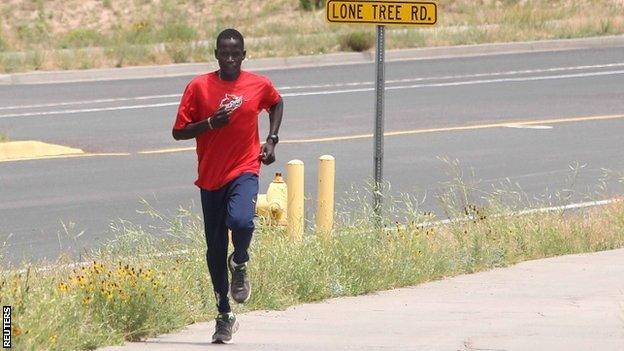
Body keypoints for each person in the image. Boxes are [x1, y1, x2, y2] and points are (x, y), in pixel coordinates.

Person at [172, 28, 283, 344]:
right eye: (225, 52)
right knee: (215, 250)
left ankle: (241, 260)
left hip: (245, 168)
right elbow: (178, 131)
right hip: (210, 178)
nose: (230, 58)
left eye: (236, 53)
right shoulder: (199, 87)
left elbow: (277, 103)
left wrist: (272, 140)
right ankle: (223, 315)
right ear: (216, 54)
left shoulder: (258, 85)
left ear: (244, 55)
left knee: (241, 220)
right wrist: (209, 124)